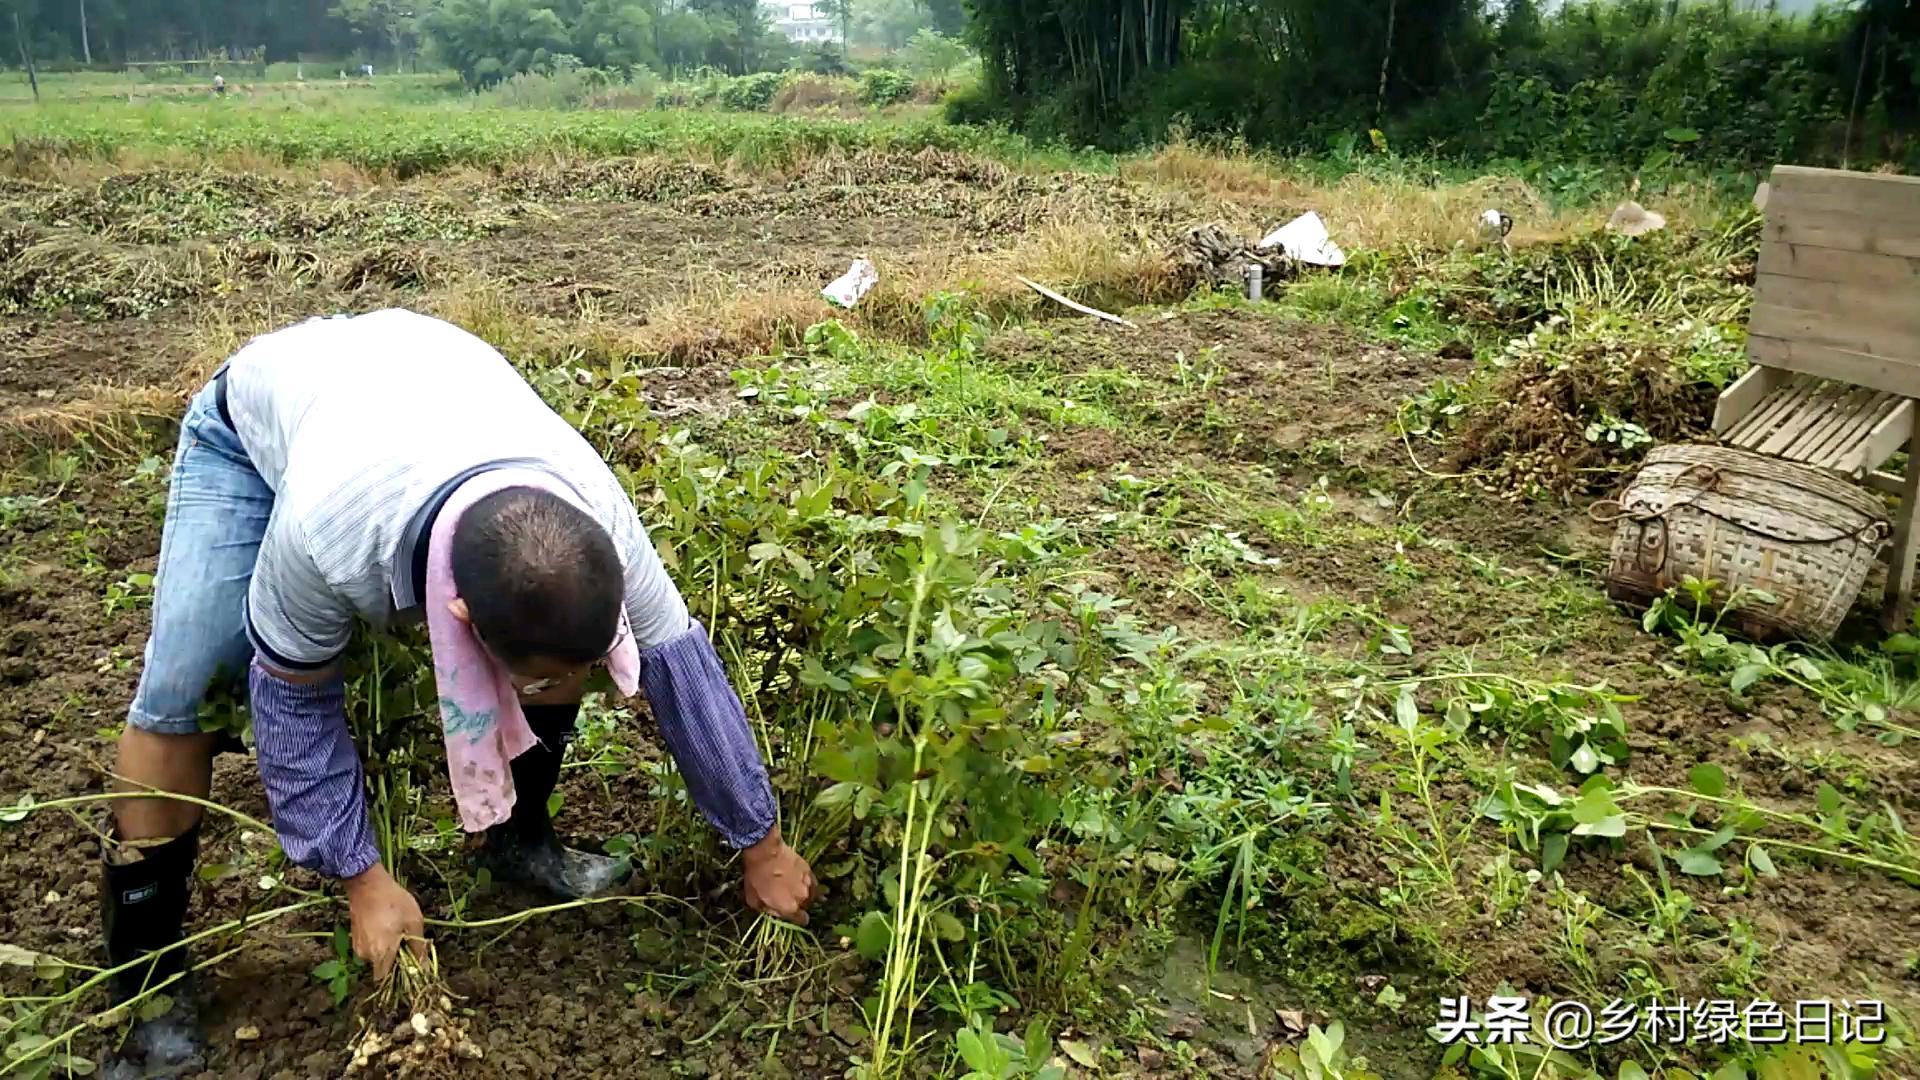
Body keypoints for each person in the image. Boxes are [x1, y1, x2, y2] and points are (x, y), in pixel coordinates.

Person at [101, 309, 819, 1075]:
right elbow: (293, 701)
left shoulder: (593, 516)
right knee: (188, 692)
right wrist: (362, 879)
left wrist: (762, 844)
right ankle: (147, 984)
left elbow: (684, 674)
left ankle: (520, 844)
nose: (562, 692)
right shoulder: (323, 535)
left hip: (421, 387)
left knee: (547, 644)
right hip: (260, 430)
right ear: (460, 620)